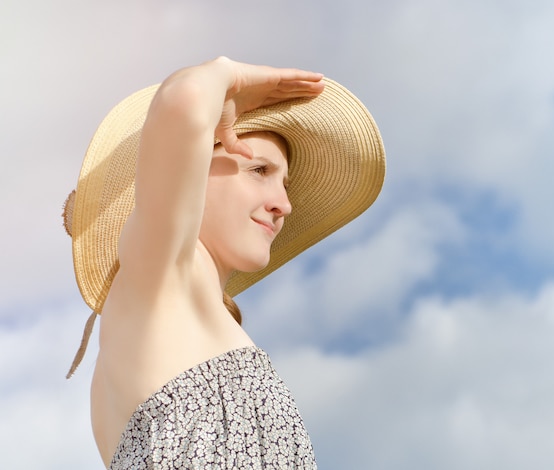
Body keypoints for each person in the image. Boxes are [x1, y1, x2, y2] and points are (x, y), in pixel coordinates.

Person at [63, 56, 385, 469]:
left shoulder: (180, 310)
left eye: (283, 183)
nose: (283, 204)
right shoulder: (160, 282)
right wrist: (228, 77)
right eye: (259, 170)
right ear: (193, 172)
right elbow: (185, 98)